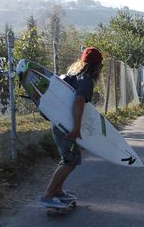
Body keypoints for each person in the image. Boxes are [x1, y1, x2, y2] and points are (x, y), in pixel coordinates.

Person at [40, 46, 103, 208]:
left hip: (58, 124)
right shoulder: (86, 80)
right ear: (97, 66)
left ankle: (58, 190)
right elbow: (79, 101)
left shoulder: (69, 76)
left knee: (67, 159)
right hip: (67, 127)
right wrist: (76, 128)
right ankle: (49, 194)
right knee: (70, 161)